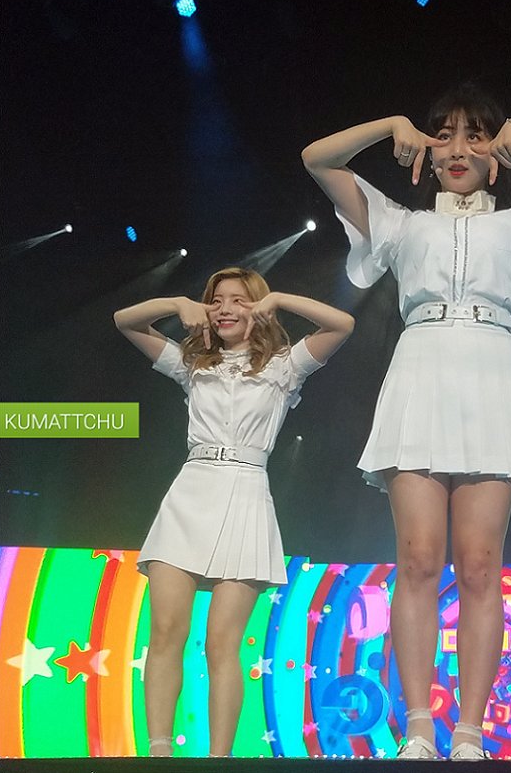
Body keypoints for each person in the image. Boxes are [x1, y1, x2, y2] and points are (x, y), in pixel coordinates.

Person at [301, 84, 511, 759]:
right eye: (444, 134)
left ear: (498, 149)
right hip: (420, 369)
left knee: (478, 565)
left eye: (475, 135)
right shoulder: (399, 223)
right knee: (418, 559)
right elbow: (317, 160)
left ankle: (469, 732)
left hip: (493, 370)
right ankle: (419, 725)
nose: (458, 148)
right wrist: (389, 122)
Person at [113, 266, 353, 757]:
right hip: (190, 493)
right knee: (166, 632)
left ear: (257, 308)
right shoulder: (192, 364)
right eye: (217, 299)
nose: (225, 308)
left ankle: (220, 761)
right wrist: (177, 304)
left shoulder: (284, 367)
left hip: (245, 494)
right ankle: (159, 754)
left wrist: (279, 298)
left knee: (222, 643)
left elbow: (342, 324)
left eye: (238, 300)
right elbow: (124, 321)